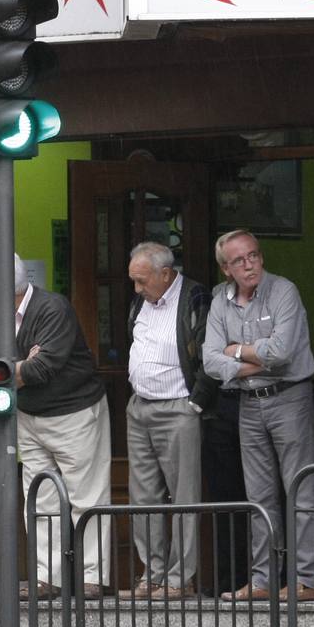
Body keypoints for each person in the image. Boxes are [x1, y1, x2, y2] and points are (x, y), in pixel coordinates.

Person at [0, 251, 111, 599]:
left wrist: (14, 370)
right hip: (29, 416)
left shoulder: (53, 308)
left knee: (86, 496)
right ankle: (49, 577)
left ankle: (91, 576)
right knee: (39, 498)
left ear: (2, 289)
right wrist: (19, 368)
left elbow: (43, 367)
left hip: (75, 414)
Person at [202, 229, 314, 602]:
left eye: (254, 255)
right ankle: (263, 581)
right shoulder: (220, 300)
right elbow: (209, 360)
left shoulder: (284, 290)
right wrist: (251, 362)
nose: (250, 264)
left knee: (300, 489)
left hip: (290, 399)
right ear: (226, 269)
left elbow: (282, 352)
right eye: (240, 260)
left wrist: (234, 352)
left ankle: (304, 580)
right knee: (259, 496)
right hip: (248, 405)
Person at [123, 242, 216, 599]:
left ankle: (180, 579)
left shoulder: (195, 298)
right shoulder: (141, 302)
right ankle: (153, 574)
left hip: (179, 408)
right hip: (140, 407)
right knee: (142, 496)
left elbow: (210, 352)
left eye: (142, 281)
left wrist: (196, 404)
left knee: (184, 497)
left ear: (165, 274)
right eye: (134, 281)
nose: (137, 289)